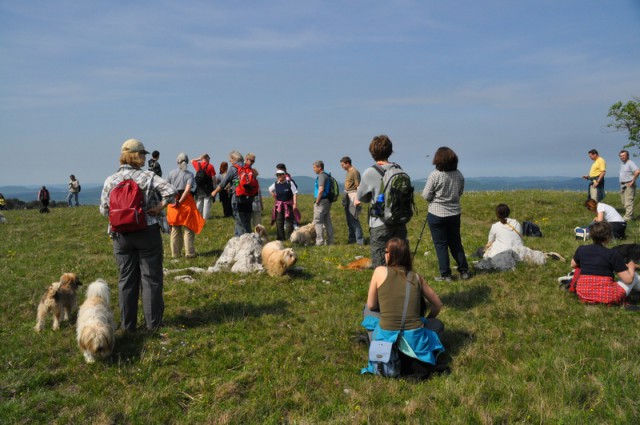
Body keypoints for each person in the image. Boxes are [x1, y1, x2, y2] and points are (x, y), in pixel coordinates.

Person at [100, 138, 176, 331]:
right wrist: (158, 207)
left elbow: (103, 210)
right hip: (147, 231)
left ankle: (128, 326)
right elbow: (171, 191)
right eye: (142, 153)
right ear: (135, 155)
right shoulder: (148, 177)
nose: (144, 157)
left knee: (126, 280)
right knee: (151, 279)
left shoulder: (111, 180)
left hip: (121, 236)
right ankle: (153, 325)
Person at [361, 238, 445, 378]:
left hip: (387, 338)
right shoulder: (417, 277)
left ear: (391, 255)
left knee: (368, 310)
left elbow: (371, 305)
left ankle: (377, 345)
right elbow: (438, 304)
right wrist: (427, 320)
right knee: (437, 325)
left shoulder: (380, 271)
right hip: (414, 341)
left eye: (386, 252)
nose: (384, 254)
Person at [357, 135, 409, 267]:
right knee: (400, 262)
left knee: (380, 264)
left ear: (372, 153)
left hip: (380, 222)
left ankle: (384, 286)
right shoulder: (398, 169)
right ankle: (402, 286)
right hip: (399, 221)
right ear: (390, 151)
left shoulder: (370, 172)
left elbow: (361, 196)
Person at [422, 147, 471, 281]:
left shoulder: (435, 175)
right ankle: (464, 270)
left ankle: (446, 274)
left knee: (441, 244)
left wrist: (434, 198)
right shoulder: (459, 174)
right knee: (456, 242)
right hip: (454, 213)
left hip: (436, 213)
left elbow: (426, 195)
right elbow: (460, 192)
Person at [571, 221, 639, 305]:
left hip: (583, 294)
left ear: (591, 235)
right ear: (608, 237)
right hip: (607, 297)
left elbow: (573, 264)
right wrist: (631, 267)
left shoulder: (581, 249)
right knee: (634, 276)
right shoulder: (613, 254)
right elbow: (628, 280)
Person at [476, 204, 549, 271]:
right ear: (508, 212)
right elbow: (520, 235)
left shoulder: (495, 226)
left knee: (481, 250)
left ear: (497, 214)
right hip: (519, 251)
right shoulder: (516, 223)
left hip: (501, 253)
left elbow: (490, 242)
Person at [166, 153, 205, 258]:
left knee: (175, 230)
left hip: (173, 203)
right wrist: (181, 200)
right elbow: (188, 189)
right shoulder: (190, 175)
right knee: (189, 229)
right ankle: (189, 253)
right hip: (186, 203)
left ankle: (175, 254)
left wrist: (175, 201)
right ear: (187, 162)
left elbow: (167, 188)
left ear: (177, 161)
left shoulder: (170, 173)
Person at [210, 151, 253, 236]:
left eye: (230, 159)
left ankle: (241, 242)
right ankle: (244, 240)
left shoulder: (233, 168)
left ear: (234, 158)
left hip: (238, 198)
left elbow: (223, 183)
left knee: (240, 221)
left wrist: (214, 192)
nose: (230, 161)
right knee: (247, 221)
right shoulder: (247, 167)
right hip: (249, 198)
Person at [340, 156, 364, 245]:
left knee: (354, 219)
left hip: (353, 195)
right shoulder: (348, 172)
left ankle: (360, 240)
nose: (342, 167)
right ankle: (352, 238)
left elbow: (358, 186)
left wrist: (357, 199)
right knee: (348, 219)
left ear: (347, 163)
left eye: (342, 165)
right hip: (347, 195)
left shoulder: (355, 172)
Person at [269, 169, 298, 241]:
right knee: (279, 221)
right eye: (277, 175)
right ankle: (281, 238)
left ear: (284, 175)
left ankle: (289, 237)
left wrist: (295, 203)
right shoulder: (275, 184)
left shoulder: (290, 183)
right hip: (279, 205)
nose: (279, 176)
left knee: (289, 221)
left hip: (288, 204)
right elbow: (270, 189)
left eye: (280, 174)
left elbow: (295, 193)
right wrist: (275, 198)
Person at [312, 160, 334, 245]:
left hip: (321, 201)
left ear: (319, 167)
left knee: (318, 222)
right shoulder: (327, 175)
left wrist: (317, 201)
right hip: (327, 201)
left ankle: (319, 242)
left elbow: (321, 190)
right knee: (327, 221)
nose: (313, 169)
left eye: (314, 167)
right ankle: (330, 241)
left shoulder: (321, 176)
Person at [191, 154, 216, 220]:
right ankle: (205, 217)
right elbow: (213, 177)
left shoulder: (197, 165)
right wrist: (215, 186)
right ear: (207, 158)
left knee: (199, 201)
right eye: (209, 158)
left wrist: (199, 159)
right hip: (207, 186)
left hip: (199, 186)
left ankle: (197, 215)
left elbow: (192, 161)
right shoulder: (210, 166)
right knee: (207, 201)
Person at [276, 163, 300, 227]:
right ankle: (292, 223)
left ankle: (292, 224)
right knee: (289, 211)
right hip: (289, 196)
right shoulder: (288, 175)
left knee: (288, 211)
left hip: (287, 197)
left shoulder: (286, 177)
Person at [618, 149, 639, 221]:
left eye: (623, 155)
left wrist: (633, 180)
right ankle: (630, 216)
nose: (622, 157)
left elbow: (637, 171)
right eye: (620, 156)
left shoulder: (630, 163)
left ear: (627, 156)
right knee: (623, 201)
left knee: (628, 201)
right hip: (623, 185)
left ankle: (628, 217)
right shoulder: (623, 164)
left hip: (628, 184)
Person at [245, 153, 263, 228]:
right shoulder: (242, 169)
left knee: (257, 222)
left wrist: (261, 204)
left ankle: (258, 235)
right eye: (251, 161)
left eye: (253, 161)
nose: (252, 163)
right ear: (246, 159)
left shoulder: (252, 172)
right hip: (247, 200)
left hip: (256, 202)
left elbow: (259, 192)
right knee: (247, 221)